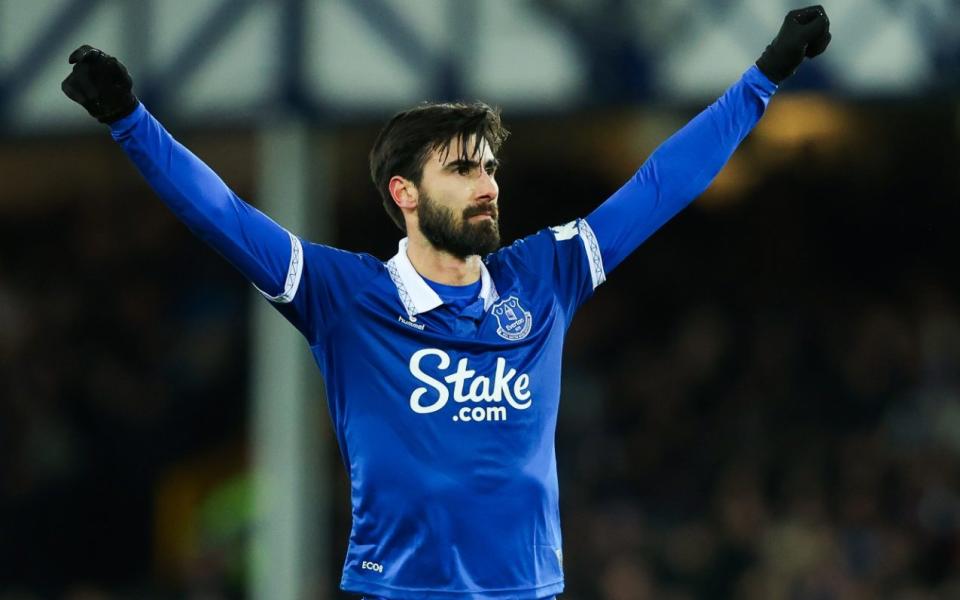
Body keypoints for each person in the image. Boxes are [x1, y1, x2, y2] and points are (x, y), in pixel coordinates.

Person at [61, 6, 831, 599]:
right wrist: (131, 123)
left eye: (490, 167)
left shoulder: (545, 275)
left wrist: (762, 78)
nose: (488, 184)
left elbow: (660, 186)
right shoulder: (344, 295)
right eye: (463, 169)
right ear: (405, 193)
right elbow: (223, 214)